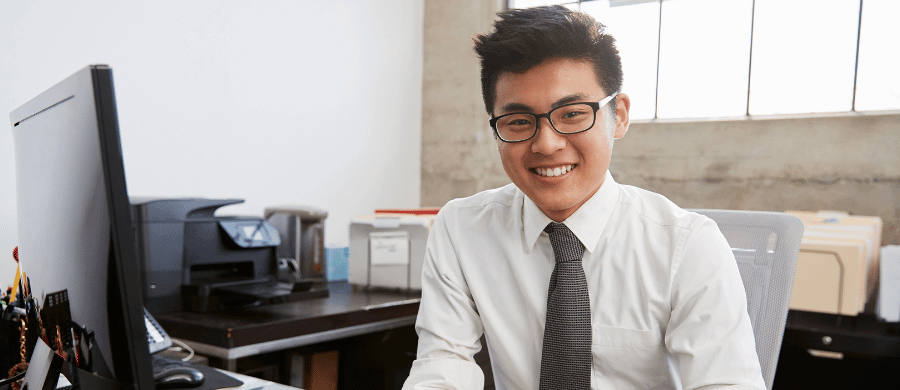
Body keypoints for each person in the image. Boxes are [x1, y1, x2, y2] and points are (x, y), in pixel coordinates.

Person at [402, 5, 765, 390]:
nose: (546, 144)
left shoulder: (688, 245)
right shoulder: (461, 229)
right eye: (519, 121)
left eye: (572, 114)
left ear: (619, 115)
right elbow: (443, 365)